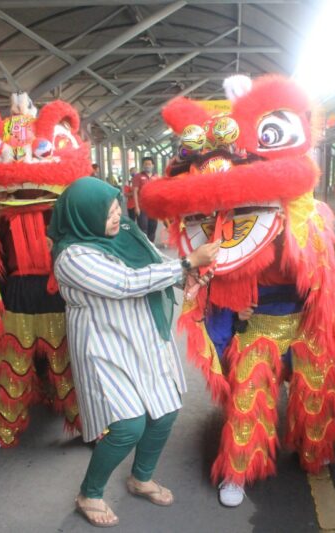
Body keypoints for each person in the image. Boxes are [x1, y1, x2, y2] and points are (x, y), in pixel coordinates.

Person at [48, 177, 219, 527]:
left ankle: (141, 478)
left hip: (144, 338)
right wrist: (185, 263)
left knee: (166, 410)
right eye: (107, 212)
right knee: (128, 426)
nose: (116, 216)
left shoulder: (124, 232)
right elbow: (124, 283)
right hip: (105, 347)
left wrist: (183, 278)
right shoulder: (73, 256)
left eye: (116, 207)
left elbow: (152, 261)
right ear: (84, 216)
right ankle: (89, 493)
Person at [132, 157, 160, 242]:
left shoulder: (157, 177)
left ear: (153, 165)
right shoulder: (138, 176)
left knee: (153, 227)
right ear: (142, 165)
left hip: (154, 208)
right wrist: (136, 207)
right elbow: (135, 192)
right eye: (145, 164)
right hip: (142, 207)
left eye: (149, 164)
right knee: (143, 228)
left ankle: (152, 246)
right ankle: (145, 246)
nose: (147, 166)